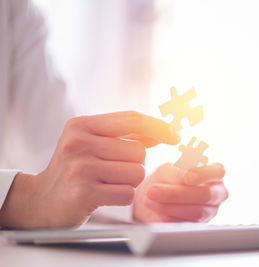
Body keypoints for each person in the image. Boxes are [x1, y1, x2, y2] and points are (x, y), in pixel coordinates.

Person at [0, 0, 228, 229]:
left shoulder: (16, 9)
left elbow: (50, 163)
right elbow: (41, 192)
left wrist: (140, 199)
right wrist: (24, 199)